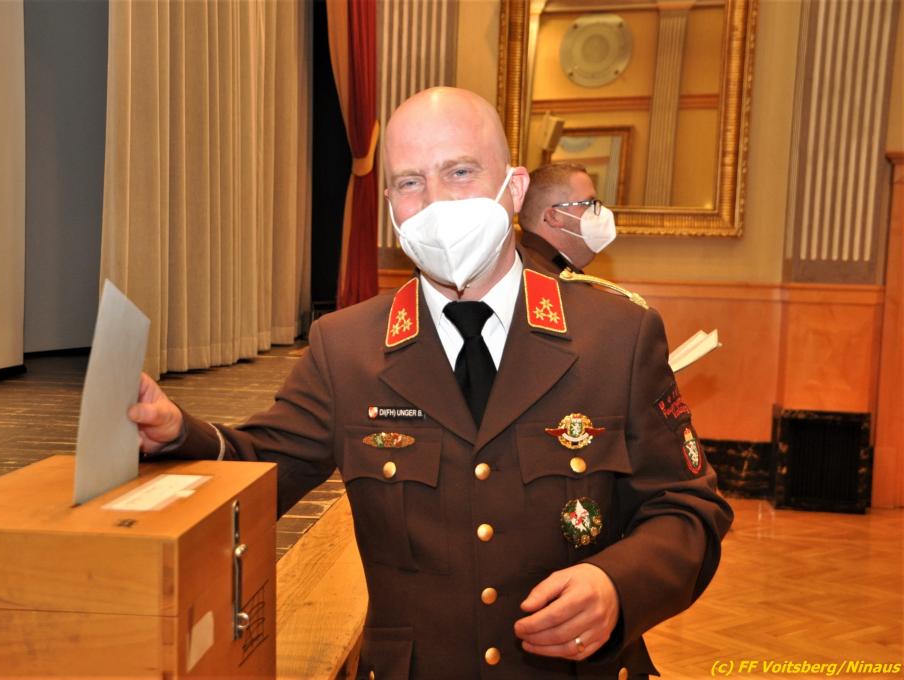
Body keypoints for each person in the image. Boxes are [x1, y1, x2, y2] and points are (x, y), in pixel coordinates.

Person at [129, 87, 732, 679]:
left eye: (460, 172)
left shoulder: (617, 336)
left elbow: (688, 509)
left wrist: (617, 586)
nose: (437, 201)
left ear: (514, 188)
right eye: (410, 182)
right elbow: (258, 474)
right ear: (390, 203)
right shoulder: (346, 348)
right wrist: (177, 432)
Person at [517, 162, 615, 274]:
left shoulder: (549, 267)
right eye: (588, 203)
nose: (598, 211)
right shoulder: (540, 276)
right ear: (553, 216)